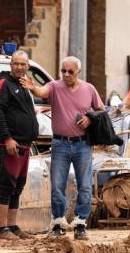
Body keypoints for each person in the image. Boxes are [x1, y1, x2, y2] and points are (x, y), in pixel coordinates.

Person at [24, 56, 103, 240]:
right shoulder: (54, 86)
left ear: (78, 72)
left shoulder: (89, 89)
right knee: (58, 185)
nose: (66, 74)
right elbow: (42, 92)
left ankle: (80, 223)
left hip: (83, 144)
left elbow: (101, 110)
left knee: (85, 185)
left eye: (70, 72)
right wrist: (33, 88)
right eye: (63, 71)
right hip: (60, 144)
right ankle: (58, 222)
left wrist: (90, 118)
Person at [0, 50, 39, 241]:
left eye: (22, 64)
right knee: (7, 184)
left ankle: (12, 226)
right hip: (10, 143)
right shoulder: (4, 84)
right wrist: (7, 138)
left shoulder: (24, 84)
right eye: (16, 63)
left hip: (25, 144)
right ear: (10, 65)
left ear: (28, 66)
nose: (19, 67)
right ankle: (2, 228)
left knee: (18, 186)